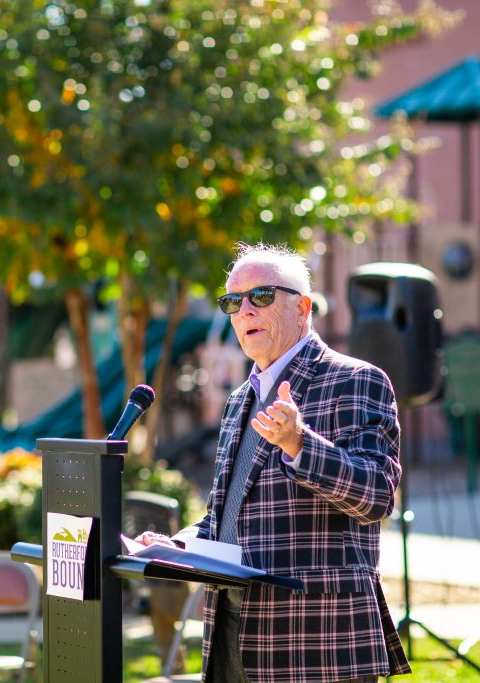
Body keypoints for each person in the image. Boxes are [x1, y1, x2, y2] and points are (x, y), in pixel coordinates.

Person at [138, 242, 409, 683]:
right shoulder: (238, 401)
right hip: (230, 629)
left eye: (260, 296)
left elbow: (376, 496)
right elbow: (226, 519)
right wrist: (179, 547)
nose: (244, 311)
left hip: (314, 639)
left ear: (302, 308)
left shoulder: (355, 380)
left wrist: (300, 442)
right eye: (232, 302)